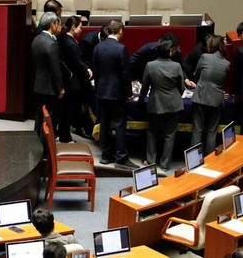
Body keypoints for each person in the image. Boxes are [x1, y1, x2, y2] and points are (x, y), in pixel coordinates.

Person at [93, 19, 136, 169]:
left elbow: (97, 72)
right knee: (119, 125)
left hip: (102, 91)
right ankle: (121, 158)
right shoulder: (121, 49)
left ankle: (106, 155)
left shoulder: (98, 47)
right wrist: (128, 92)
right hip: (117, 93)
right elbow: (125, 74)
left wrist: (98, 89)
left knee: (104, 123)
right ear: (120, 31)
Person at [137, 40, 185, 173]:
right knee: (170, 134)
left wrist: (140, 99)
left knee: (152, 132)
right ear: (169, 52)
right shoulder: (176, 66)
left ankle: (151, 161)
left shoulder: (150, 65)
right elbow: (181, 87)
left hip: (156, 103)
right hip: (173, 103)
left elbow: (145, 86)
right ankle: (165, 164)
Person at [190, 35, 230, 154]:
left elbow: (196, 74)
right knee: (212, 131)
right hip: (216, 99)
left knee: (197, 130)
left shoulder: (204, 57)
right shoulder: (227, 63)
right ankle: (210, 159)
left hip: (201, 96)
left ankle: (194, 160)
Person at [58, 16, 94, 140]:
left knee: (67, 109)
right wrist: (86, 69)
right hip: (72, 82)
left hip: (69, 80)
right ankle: (65, 136)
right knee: (67, 110)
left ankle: (65, 134)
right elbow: (77, 62)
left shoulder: (66, 38)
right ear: (73, 27)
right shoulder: (70, 43)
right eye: (80, 27)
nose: (81, 30)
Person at [32, 12, 65, 135]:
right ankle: (45, 147)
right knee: (49, 119)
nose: (59, 26)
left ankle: (36, 143)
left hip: (39, 84)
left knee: (39, 116)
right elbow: (55, 70)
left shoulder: (37, 39)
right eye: (58, 24)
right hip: (50, 88)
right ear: (53, 24)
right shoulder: (51, 44)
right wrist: (61, 88)